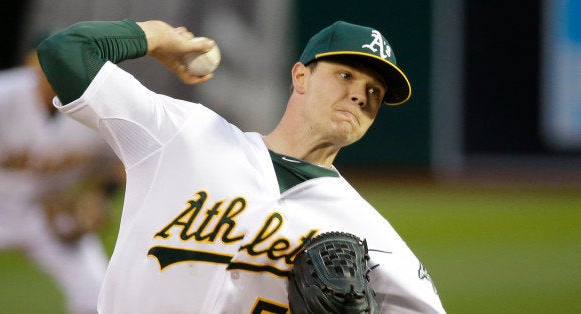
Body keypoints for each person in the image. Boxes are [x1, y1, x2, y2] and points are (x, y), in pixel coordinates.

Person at [37, 19, 446, 313]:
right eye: (345, 76)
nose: (360, 95)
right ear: (301, 76)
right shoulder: (186, 137)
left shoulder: (365, 231)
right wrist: (158, 36)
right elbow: (65, 53)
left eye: (374, 90)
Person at [0, 49, 118, 314]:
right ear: (34, 66)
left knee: (100, 293)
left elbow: (122, 163)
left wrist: (99, 195)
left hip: (46, 213)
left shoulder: (99, 109)